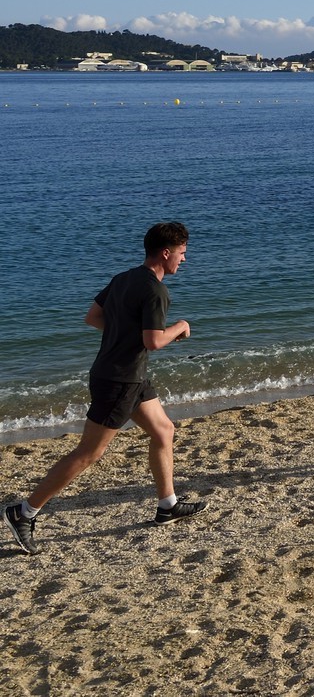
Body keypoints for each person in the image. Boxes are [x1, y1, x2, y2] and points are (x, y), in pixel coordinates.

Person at [5, 222, 208, 555]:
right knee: (89, 452)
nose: (184, 260)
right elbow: (154, 341)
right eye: (183, 253)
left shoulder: (123, 278)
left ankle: (167, 504)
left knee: (163, 430)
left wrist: (123, 336)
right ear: (166, 252)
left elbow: (93, 317)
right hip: (119, 380)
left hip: (128, 375)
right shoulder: (156, 291)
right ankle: (24, 512)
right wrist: (180, 328)